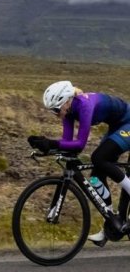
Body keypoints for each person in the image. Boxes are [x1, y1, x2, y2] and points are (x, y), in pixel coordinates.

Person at [28, 80, 130, 247]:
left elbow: (80, 144)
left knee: (99, 158)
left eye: (55, 109)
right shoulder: (67, 112)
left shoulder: (84, 105)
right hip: (117, 126)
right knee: (96, 176)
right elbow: (67, 143)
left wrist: (51, 143)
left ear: (66, 101)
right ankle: (112, 223)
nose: (55, 114)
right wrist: (45, 146)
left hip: (128, 122)